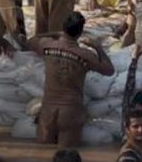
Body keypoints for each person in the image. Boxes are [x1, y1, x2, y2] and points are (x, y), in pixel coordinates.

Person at [27, 11, 114, 147]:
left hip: (47, 110)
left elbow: (30, 40)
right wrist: (98, 47)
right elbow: (109, 70)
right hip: (70, 112)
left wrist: (54, 34)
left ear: (63, 28)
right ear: (80, 33)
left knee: (42, 154)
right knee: (67, 157)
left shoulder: (47, 45)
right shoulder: (85, 55)